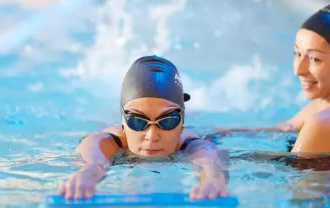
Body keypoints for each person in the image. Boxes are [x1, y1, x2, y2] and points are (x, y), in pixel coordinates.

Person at [58, 55, 229, 200]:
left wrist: (212, 178)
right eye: (137, 121)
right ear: (123, 121)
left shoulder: (190, 142)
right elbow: (94, 162)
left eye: (168, 121)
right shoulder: (109, 140)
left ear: (182, 122)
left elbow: (209, 162)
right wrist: (86, 174)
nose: (152, 136)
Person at [215, 2, 330, 154]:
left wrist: (211, 162)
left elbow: (290, 180)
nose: (298, 70)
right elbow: (278, 130)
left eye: (314, 59)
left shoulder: (324, 123)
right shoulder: (328, 108)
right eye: (297, 53)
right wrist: (209, 135)